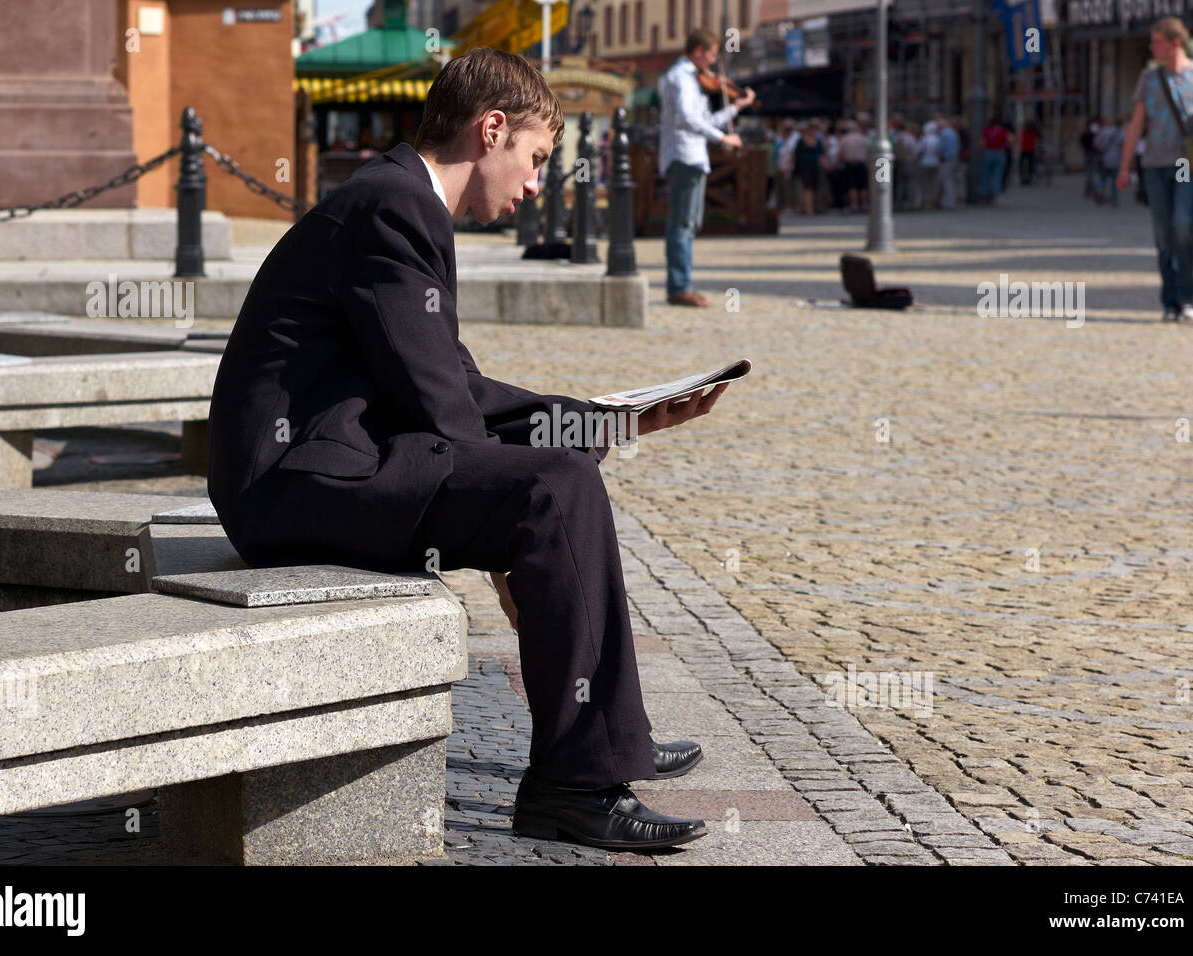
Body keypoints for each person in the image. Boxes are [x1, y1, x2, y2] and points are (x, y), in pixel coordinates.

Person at [207, 47, 730, 851]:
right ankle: (577, 782)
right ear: (491, 129)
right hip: (292, 483)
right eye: (534, 157)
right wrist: (537, 467)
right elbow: (440, 398)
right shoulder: (394, 205)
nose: (532, 184)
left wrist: (601, 420)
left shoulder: (398, 200)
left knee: (558, 474)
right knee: (551, 490)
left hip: (327, 462)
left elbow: (449, 380)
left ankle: (603, 734)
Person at [1115, 16, 1193, 322]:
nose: (1151, 46)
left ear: (1175, 43)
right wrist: (1124, 167)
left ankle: (1186, 297)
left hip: (1186, 163)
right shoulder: (1149, 78)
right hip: (1153, 165)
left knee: (1182, 223)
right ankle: (1169, 301)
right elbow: (1136, 125)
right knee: (1163, 234)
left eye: (1156, 41)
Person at [657, 28, 756, 306]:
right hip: (684, 156)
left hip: (694, 156)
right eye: (712, 54)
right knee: (682, 224)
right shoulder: (680, 78)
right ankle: (679, 288)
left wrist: (735, 107)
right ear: (698, 51)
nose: (713, 62)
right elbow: (689, 119)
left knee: (689, 223)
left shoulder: (690, 78)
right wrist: (724, 137)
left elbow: (705, 120)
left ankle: (681, 285)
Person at [792, 121, 826, 216]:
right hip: (804, 167)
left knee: (814, 188)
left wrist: (826, 165)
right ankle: (809, 210)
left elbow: (822, 154)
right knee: (807, 188)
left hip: (815, 167)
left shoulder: (818, 141)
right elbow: (795, 154)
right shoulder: (801, 141)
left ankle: (807, 206)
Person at [838, 119, 871, 213]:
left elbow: (841, 153)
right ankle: (864, 205)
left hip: (849, 164)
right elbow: (869, 152)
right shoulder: (864, 138)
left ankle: (854, 205)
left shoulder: (845, 139)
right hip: (861, 164)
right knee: (863, 186)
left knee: (852, 186)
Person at [979, 114, 1010, 203]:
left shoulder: (987, 130)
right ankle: (995, 193)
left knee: (985, 174)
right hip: (999, 152)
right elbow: (1011, 139)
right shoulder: (1003, 131)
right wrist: (1004, 145)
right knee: (997, 175)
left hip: (988, 152)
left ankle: (984, 193)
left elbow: (982, 143)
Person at [1094, 116, 1125, 206]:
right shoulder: (1121, 133)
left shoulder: (1104, 132)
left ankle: (1099, 191)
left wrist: (1102, 150)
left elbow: (1096, 143)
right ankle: (1114, 200)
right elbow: (1125, 144)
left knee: (1103, 178)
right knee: (1115, 181)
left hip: (1105, 158)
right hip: (1116, 159)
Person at [937, 113, 961, 209]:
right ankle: (950, 200)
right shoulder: (953, 133)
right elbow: (959, 146)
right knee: (950, 180)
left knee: (946, 181)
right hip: (953, 159)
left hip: (946, 159)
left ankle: (949, 202)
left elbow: (941, 148)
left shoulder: (944, 134)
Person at [919, 120, 942, 209]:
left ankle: (927, 202)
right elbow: (939, 151)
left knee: (926, 184)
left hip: (925, 162)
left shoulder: (924, 139)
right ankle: (934, 202)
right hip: (935, 162)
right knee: (934, 184)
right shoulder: (937, 139)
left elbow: (920, 151)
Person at [1019, 120, 1040, 185]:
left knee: (1029, 165)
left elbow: (1038, 140)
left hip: (1029, 150)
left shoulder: (1033, 132)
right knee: (1023, 165)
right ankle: (1024, 178)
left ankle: (1028, 178)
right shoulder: (1026, 132)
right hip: (1026, 150)